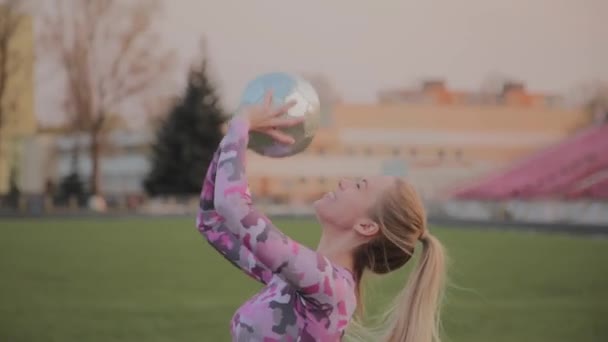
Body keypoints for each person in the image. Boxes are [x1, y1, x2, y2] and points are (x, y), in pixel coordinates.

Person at [196, 91, 447, 342]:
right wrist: (236, 134)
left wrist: (241, 124)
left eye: (359, 186)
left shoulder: (331, 287)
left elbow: (233, 206)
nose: (343, 183)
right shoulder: (294, 273)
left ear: (367, 226)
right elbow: (212, 221)